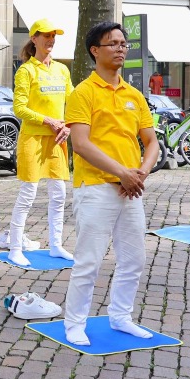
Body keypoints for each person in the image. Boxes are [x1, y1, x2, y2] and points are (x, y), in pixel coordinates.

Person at [62, 21, 158, 346]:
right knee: (89, 260)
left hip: (131, 189)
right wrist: (123, 173)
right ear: (95, 50)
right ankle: (74, 323)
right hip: (97, 188)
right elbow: (82, 145)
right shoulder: (82, 93)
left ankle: (121, 317)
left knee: (134, 259)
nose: (120, 48)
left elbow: (151, 142)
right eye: (112, 43)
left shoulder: (134, 95)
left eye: (123, 43)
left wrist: (140, 173)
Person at [4, 19, 74, 266]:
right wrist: (48, 121)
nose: (51, 39)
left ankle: (56, 245)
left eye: (54, 35)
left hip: (56, 141)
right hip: (32, 139)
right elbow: (19, 108)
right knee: (28, 194)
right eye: (45, 35)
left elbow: (73, 103)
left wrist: (66, 126)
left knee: (59, 194)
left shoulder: (62, 70)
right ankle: (14, 248)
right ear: (34, 38)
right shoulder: (26, 70)